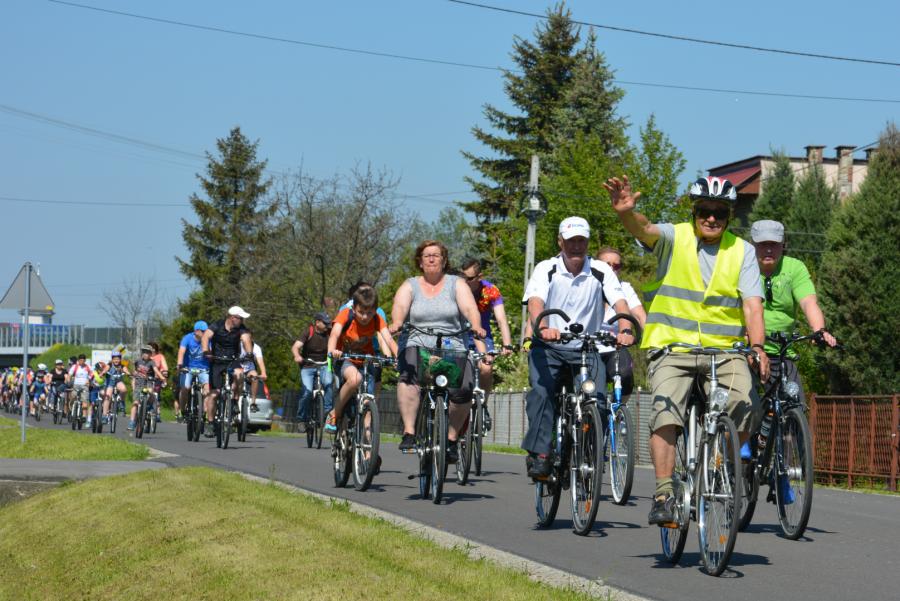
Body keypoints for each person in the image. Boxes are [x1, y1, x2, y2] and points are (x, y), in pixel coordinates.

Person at [605, 174, 769, 525]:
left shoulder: (742, 252)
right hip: (672, 347)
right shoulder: (675, 237)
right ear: (694, 212)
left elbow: (753, 306)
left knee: (747, 404)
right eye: (704, 210)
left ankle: (717, 464)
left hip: (724, 350)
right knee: (665, 412)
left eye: (719, 213)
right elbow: (644, 228)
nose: (711, 218)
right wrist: (625, 213)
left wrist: (757, 347)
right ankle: (664, 493)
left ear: (729, 216)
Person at [521, 217, 635, 478]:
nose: (576, 246)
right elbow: (536, 302)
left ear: (587, 243)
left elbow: (620, 303)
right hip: (549, 347)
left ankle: (588, 455)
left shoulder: (600, 270)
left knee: (598, 400)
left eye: (581, 241)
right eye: (571, 241)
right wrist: (543, 327)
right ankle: (541, 454)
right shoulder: (546, 268)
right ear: (560, 242)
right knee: (541, 393)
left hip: (587, 347)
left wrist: (626, 329)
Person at [389, 239, 486, 462]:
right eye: (427, 255)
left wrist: (476, 325)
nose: (431, 259)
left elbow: (470, 307)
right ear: (420, 262)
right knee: (409, 377)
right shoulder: (410, 285)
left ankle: (451, 439)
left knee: (464, 389)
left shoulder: (456, 284)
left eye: (436, 255)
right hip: (418, 342)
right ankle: (409, 432)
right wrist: (397, 322)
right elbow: (400, 306)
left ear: (444, 261)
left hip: (452, 344)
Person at [749, 220, 837, 403]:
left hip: (781, 352)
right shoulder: (743, 267)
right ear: (753, 245)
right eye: (763, 244)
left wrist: (819, 330)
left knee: (795, 403)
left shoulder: (794, 268)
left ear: (783, 245)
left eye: (774, 244)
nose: (768, 250)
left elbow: (808, 302)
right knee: (742, 406)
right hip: (747, 351)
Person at [328, 284, 395, 432]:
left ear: (375, 310)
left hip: (366, 360)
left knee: (369, 399)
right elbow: (334, 334)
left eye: (369, 313)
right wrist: (332, 351)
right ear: (354, 309)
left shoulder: (376, 318)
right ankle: (334, 413)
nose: (365, 317)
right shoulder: (345, 314)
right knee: (355, 379)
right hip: (345, 358)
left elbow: (388, 339)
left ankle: (367, 442)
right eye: (361, 312)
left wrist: (397, 358)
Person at [459, 257, 515, 431]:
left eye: (470, 278)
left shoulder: (490, 291)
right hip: (459, 336)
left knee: (486, 367)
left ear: (480, 276)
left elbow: (501, 319)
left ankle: (482, 404)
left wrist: (507, 344)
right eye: (463, 277)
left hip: (483, 337)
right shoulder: (457, 289)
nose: (465, 282)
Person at [595, 247, 647, 396]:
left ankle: (619, 407)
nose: (612, 269)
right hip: (590, 347)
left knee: (625, 375)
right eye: (607, 265)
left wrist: (654, 342)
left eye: (616, 266)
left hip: (615, 346)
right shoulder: (587, 286)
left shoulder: (625, 288)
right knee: (593, 388)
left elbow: (640, 316)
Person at [339, 281, 399, 398]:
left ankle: (371, 405)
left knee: (375, 381)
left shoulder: (378, 312)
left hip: (371, 352)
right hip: (350, 353)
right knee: (351, 381)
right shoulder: (345, 310)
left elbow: (383, 337)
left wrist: (388, 357)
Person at [201, 306, 253, 438]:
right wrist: (206, 350)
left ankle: (234, 401)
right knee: (214, 395)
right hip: (216, 361)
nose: (242, 321)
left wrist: (249, 353)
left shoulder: (241, 329)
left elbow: (246, 339)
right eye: (240, 318)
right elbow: (206, 337)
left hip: (232, 360)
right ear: (232, 318)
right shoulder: (217, 325)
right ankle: (210, 423)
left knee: (239, 373)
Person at [291, 312, 334, 430]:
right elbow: (295, 347)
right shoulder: (308, 332)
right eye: (325, 323)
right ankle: (301, 419)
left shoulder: (330, 333)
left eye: (328, 323)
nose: (327, 326)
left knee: (329, 384)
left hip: (325, 364)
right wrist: (297, 356)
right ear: (317, 323)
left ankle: (327, 413)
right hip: (308, 366)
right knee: (307, 392)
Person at [176, 321, 211, 423]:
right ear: (196, 331)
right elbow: (181, 351)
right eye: (203, 331)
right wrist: (180, 364)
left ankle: (204, 412)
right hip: (188, 368)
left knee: (207, 390)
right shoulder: (187, 338)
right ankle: (182, 410)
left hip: (203, 368)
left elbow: (211, 353)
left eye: (206, 331)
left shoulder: (208, 339)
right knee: (185, 388)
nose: (205, 333)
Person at [129, 346, 165, 431]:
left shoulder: (151, 362)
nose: (145, 354)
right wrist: (133, 375)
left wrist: (162, 378)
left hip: (148, 382)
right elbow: (134, 371)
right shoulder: (138, 361)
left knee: (151, 392)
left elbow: (156, 370)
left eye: (148, 353)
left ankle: (151, 406)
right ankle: (132, 422)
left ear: (150, 354)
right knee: (135, 403)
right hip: (139, 384)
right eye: (144, 352)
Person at [102, 351, 130, 423]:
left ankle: (121, 402)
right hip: (110, 383)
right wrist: (103, 373)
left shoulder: (122, 365)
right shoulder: (109, 365)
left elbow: (125, 370)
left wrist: (128, 373)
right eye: (114, 359)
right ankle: (104, 415)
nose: (116, 360)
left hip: (118, 382)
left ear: (120, 359)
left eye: (118, 359)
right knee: (107, 397)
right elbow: (105, 369)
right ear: (112, 359)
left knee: (124, 389)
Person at [239, 340, 267, 409]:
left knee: (255, 376)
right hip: (237, 368)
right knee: (238, 374)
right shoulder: (238, 345)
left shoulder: (256, 348)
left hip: (249, 370)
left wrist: (263, 373)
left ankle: (253, 402)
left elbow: (260, 361)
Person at [69, 354, 93, 426]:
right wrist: (68, 380)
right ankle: (71, 410)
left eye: (83, 360)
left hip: (84, 386)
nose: (82, 362)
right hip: (76, 385)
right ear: (78, 360)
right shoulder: (75, 367)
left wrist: (89, 379)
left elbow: (92, 373)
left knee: (84, 402)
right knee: (73, 397)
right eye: (80, 360)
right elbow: (70, 374)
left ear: (85, 361)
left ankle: (84, 416)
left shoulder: (88, 367)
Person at [148, 342, 169, 422]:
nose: (152, 350)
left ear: (155, 349)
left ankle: (157, 413)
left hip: (157, 379)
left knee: (156, 395)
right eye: (150, 348)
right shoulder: (146, 357)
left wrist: (164, 373)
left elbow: (165, 367)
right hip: (146, 379)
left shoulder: (160, 356)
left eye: (153, 348)